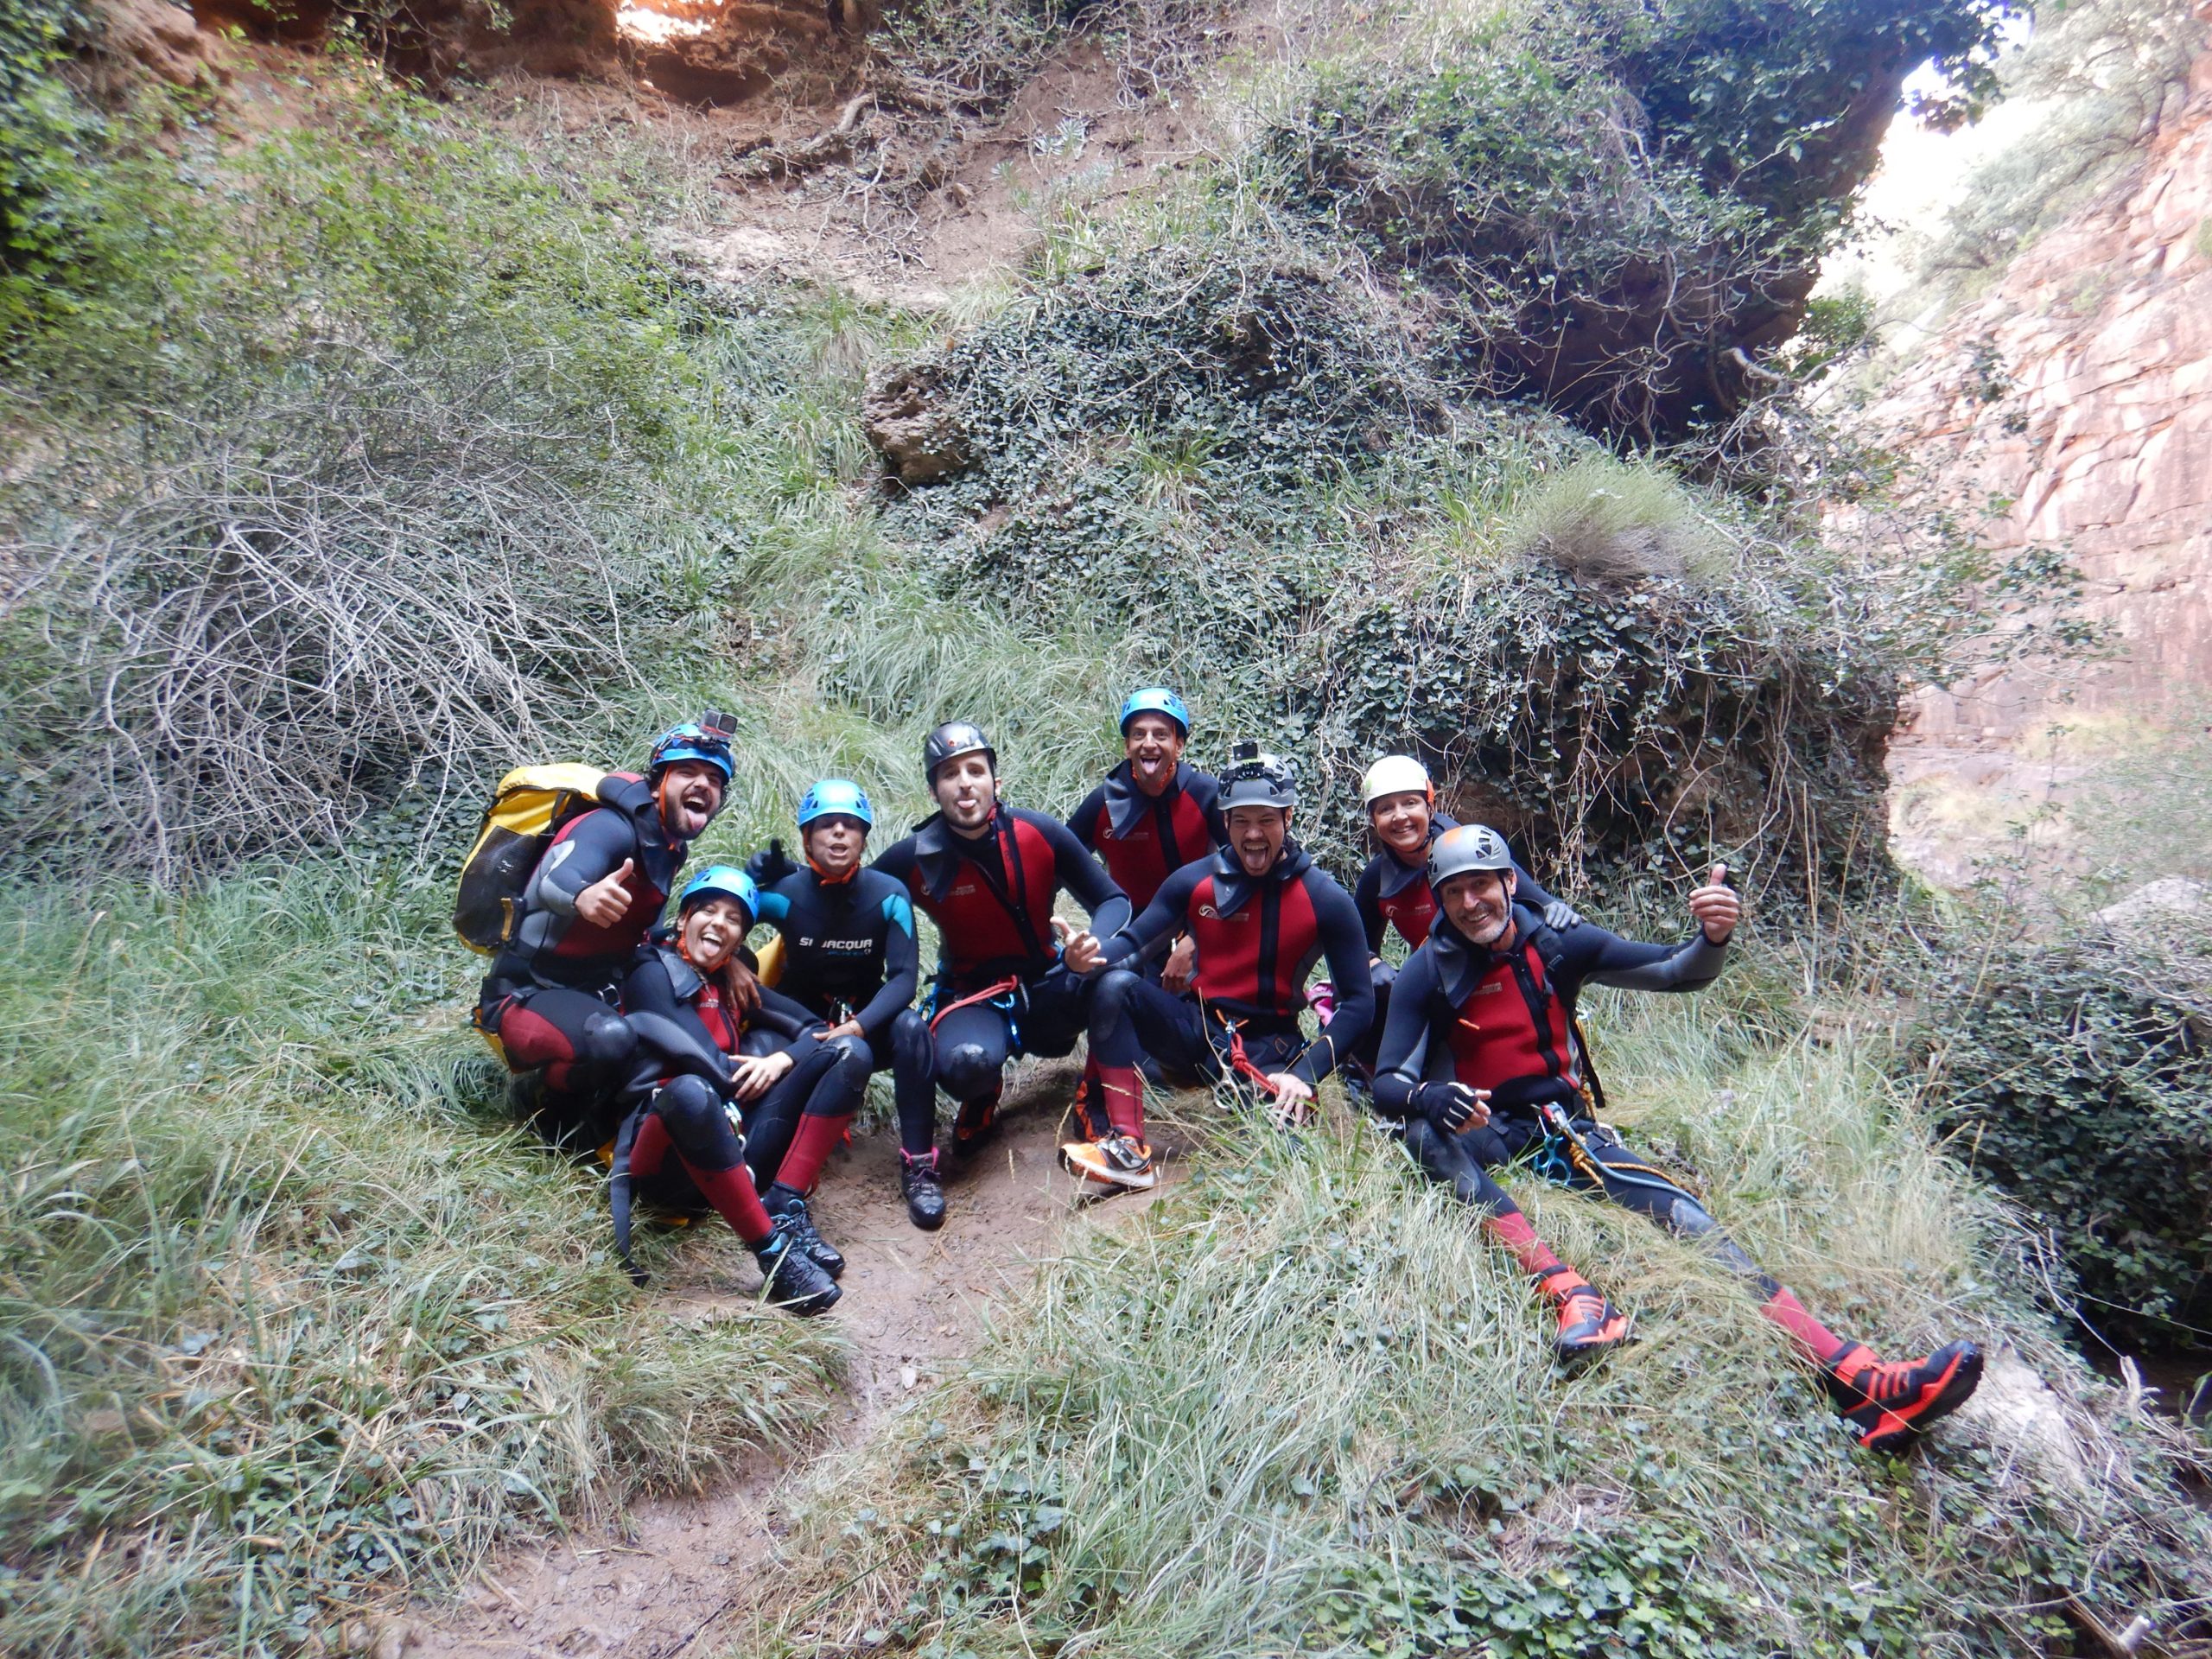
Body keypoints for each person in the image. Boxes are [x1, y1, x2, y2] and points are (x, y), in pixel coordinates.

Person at [1371, 825, 1984, 1455]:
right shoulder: (1429, 969)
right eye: (1454, 893)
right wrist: (1429, 1096)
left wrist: (1712, 937)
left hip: (1565, 1129)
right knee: (1420, 1136)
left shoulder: (1556, 942)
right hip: (1492, 1133)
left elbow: (1674, 971)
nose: (1471, 903)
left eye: (1482, 885)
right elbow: (1390, 1082)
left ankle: (1858, 1379)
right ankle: (1573, 1295)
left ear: (1509, 882)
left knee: (1692, 1224)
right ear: (1439, 902)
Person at [1079, 744, 1375, 1192]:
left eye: (1266, 820)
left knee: (1281, 1159)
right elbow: (1134, 945)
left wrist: (1305, 1074)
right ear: (1225, 822)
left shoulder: (1325, 898)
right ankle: (1127, 1146)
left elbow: (1359, 1004)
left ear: (1288, 818)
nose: (1253, 834)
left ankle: (1251, 1099)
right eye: (1240, 821)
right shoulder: (1193, 883)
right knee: (1114, 985)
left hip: (1269, 1045)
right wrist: (1088, 954)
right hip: (1196, 1031)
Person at [871, 721, 1132, 1210]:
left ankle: (1094, 1097)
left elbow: (1112, 901)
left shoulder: (1038, 834)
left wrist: (1088, 947)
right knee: (966, 1065)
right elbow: (857, 902)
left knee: (1114, 982)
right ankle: (982, 1093)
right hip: (974, 995)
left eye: (975, 770)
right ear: (933, 789)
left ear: (996, 781)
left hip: (1050, 983)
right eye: (949, 774)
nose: (964, 783)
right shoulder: (914, 857)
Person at [476, 716, 736, 1150]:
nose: (703, 785)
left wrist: (734, 966)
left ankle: (606, 1117)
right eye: (688, 772)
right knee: (613, 1039)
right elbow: (558, 876)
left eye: (714, 779)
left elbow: (649, 933)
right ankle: (549, 1123)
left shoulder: (669, 848)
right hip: (524, 994)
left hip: (595, 991)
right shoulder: (611, 826)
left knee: (654, 1040)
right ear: (658, 785)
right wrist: (582, 895)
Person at [608, 867, 848, 1313]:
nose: (720, 922)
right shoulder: (649, 970)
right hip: (667, 1159)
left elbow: (817, 1030)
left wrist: (780, 1061)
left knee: (847, 1051)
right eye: (708, 911)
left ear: (739, 942)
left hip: (732, 1140)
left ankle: (783, 1203)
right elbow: (703, 1064)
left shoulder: (727, 981)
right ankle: (775, 1256)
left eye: (733, 919)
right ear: (683, 920)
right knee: (691, 1090)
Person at [746, 780, 942, 1230]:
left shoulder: (889, 893)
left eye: (850, 826)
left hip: (865, 1020)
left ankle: (920, 1166)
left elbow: (905, 978)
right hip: (801, 1021)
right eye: (826, 826)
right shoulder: (784, 893)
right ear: (806, 837)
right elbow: (722, 919)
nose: (839, 834)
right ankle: (770, 1165)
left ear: (864, 838)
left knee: (912, 1030)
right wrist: (739, 960)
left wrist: (858, 1027)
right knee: (758, 1043)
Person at [1348, 753, 1579, 1089]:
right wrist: (1373, 965)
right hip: (1437, 983)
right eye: (1385, 809)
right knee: (1370, 987)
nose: (1400, 817)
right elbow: (1357, 947)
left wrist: (1562, 917)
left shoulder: (1471, 850)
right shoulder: (1377, 879)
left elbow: (1539, 903)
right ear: (1373, 818)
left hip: (1498, 980)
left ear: (1430, 803)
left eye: (1410, 803)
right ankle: (1373, 1075)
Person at [1065, 688, 1228, 988]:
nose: (1149, 743)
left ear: (1178, 745)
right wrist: (1100, 908)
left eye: (1161, 735)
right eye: (1138, 735)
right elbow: (1057, 860)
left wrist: (1195, 937)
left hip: (1200, 921)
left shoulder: (1205, 795)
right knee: (1098, 987)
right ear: (1127, 746)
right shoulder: (1104, 802)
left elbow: (1241, 868)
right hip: (1132, 927)